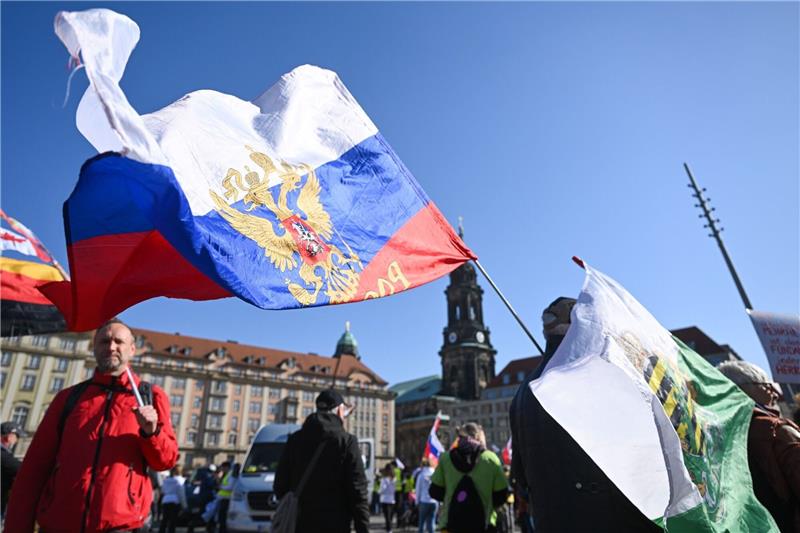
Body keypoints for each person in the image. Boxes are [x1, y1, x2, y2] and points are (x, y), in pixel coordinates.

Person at [4, 318, 179, 532]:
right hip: (60, 525)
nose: (111, 347)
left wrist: (151, 432)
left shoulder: (151, 396)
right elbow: (34, 469)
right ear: (94, 347)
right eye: (104, 342)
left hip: (119, 526)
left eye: (118, 342)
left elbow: (166, 460)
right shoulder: (68, 398)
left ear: (132, 349)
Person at [509, 297, 661, 533]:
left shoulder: (523, 392)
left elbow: (519, 473)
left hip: (551, 520)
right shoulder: (591, 370)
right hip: (607, 516)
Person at [717, 360, 800, 532]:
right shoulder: (775, 429)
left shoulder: (712, 433)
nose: (775, 393)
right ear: (743, 388)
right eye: (767, 385)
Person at [274, 389, 369, 533]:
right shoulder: (347, 441)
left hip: (300, 524)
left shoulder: (295, 439)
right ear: (339, 411)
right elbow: (358, 492)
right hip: (336, 524)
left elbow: (280, 485)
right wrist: (363, 529)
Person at [429, 422, 508, 533]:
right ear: (478, 437)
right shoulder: (491, 459)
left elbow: (434, 491)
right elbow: (501, 495)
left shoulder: (445, 458)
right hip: (484, 525)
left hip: (451, 524)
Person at [1, 421, 24, 518]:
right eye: (17, 436)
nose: (17, 441)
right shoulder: (3, 456)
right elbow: (22, 469)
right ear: (10, 436)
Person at [159, 466, 187, 533]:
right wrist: (185, 506)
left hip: (165, 500)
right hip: (175, 501)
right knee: (172, 521)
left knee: (164, 520)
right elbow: (181, 494)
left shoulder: (166, 480)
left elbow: (162, 491)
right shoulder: (181, 481)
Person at [414, 458, 437, 533]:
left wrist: (416, 502)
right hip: (434, 501)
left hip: (424, 501)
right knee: (431, 522)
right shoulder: (436, 474)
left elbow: (418, 489)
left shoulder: (421, 475)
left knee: (421, 523)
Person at [214, 461, 233, 533]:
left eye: (223, 468)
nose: (222, 470)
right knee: (220, 517)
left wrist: (221, 487)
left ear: (226, 467)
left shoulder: (230, 475)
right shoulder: (226, 474)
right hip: (222, 498)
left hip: (227, 499)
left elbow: (230, 487)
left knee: (223, 518)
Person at [379, 464, 396, 532]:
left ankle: (389, 530)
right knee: (390, 516)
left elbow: (382, 489)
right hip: (392, 499)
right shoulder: (395, 479)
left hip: (385, 499)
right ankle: (389, 529)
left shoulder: (384, 479)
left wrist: (379, 491)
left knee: (387, 517)